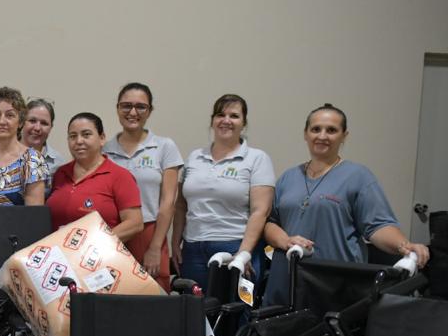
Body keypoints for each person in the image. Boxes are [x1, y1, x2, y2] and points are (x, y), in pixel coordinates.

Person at [263, 103, 430, 307]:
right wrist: (286, 241)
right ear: (305, 134)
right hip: (288, 280)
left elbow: (378, 226)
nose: (322, 136)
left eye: (331, 130)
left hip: (335, 284)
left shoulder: (358, 176)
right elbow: (270, 224)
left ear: (344, 136)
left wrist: (403, 246)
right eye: (316, 129)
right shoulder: (288, 177)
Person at [171, 94, 274, 289]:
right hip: (193, 249)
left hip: (234, 246)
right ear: (212, 121)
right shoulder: (194, 157)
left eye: (234, 116)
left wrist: (244, 253)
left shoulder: (257, 159)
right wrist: (175, 242)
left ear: (244, 123)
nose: (226, 120)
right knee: (194, 307)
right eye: (220, 115)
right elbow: (181, 205)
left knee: (234, 307)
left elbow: (260, 211)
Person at [103, 83, 182, 291]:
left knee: (153, 297)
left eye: (140, 107)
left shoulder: (164, 146)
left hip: (151, 233)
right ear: (117, 108)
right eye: (126, 106)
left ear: (150, 110)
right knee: (115, 296)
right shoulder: (105, 151)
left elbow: (168, 203)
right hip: (116, 232)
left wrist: (155, 247)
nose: (133, 112)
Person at [46, 112, 143, 238]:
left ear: (102, 138)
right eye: (73, 136)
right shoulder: (60, 173)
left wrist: (93, 244)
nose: (79, 141)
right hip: (56, 249)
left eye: (86, 134)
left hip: (98, 249)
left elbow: (134, 223)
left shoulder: (120, 176)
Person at [21, 98, 65, 191]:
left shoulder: (57, 163)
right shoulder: (0, 153)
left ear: (51, 127)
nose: (37, 128)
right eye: (32, 121)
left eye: (44, 123)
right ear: (22, 122)